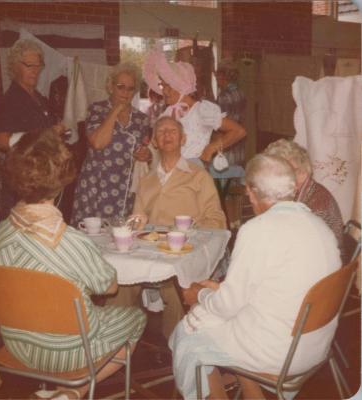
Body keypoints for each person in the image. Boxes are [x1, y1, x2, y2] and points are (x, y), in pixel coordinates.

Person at [0, 129, 146, 400]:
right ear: (60, 182)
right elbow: (108, 287)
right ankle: (73, 393)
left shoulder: (0, 231)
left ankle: (61, 395)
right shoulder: (71, 240)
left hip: (14, 345)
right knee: (136, 317)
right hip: (67, 354)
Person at [169, 154, 341, 400]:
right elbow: (276, 287)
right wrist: (219, 290)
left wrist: (200, 294)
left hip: (279, 352)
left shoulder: (258, 230)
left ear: (252, 192)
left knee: (188, 336)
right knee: (226, 321)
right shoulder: (318, 225)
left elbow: (227, 307)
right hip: (313, 344)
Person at [106, 116, 226, 340]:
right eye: (161, 131)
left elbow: (217, 218)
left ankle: (178, 345)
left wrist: (190, 232)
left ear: (183, 139)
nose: (167, 134)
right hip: (149, 250)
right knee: (119, 278)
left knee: (178, 283)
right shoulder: (147, 179)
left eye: (173, 131)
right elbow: (137, 219)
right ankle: (116, 339)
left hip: (183, 251)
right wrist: (132, 224)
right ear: (154, 142)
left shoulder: (198, 175)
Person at [71, 63, 151, 226]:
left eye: (130, 88)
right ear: (111, 86)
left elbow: (148, 151)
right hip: (96, 186)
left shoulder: (141, 119)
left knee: (121, 236)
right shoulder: (97, 109)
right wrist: (115, 110)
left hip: (126, 188)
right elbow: (98, 142)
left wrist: (146, 155)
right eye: (121, 87)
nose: (125, 92)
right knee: (92, 234)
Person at [0, 39, 65, 219]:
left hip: (41, 177)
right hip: (22, 179)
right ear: (15, 66)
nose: (35, 70)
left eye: (38, 65)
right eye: (29, 65)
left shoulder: (38, 97)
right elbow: (3, 142)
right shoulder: (10, 100)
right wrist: (47, 134)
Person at [143, 45, 246, 166]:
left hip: (193, 172)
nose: (164, 91)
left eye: (169, 86)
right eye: (163, 85)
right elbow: (156, 146)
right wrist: (148, 152)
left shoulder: (201, 110)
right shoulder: (167, 113)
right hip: (168, 170)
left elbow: (238, 131)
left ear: (181, 86)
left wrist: (210, 149)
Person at [264, 139, 344, 255]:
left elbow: (304, 250)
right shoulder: (305, 191)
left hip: (323, 267)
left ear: (296, 170)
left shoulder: (317, 203)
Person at [215, 58, 246, 166]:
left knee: (225, 175)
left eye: (217, 75)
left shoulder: (223, 96)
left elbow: (221, 124)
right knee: (236, 173)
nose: (216, 78)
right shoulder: (240, 92)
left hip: (228, 142)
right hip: (239, 141)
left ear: (223, 76)